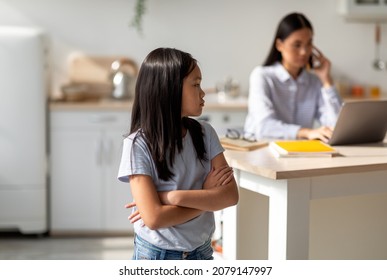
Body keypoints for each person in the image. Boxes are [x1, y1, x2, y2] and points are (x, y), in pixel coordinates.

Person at [117, 48, 239, 260]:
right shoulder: (137, 144)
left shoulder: (205, 133)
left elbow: (230, 196)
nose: (203, 93)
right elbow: (154, 218)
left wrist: (172, 197)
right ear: (169, 89)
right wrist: (205, 195)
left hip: (201, 252)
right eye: (196, 84)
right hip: (156, 256)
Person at [244, 12, 342, 142]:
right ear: (279, 45)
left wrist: (326, 80)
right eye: (297, 45)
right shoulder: (262, 76)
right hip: (261, 150)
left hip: (298, 154)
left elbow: (336, 126)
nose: (304, 51)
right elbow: (264, 126)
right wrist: (306, 132)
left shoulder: (314, 81)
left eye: (309, 44)